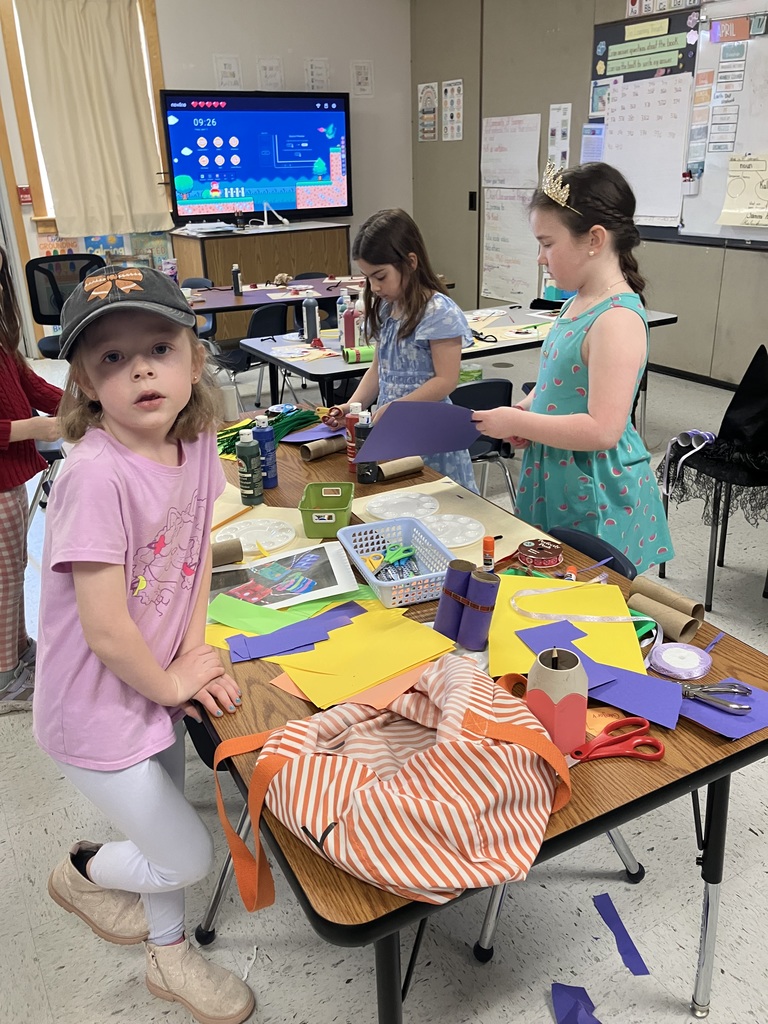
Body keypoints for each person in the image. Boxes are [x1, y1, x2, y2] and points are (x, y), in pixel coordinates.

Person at [32, 267, 255, 1024]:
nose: (141, 371)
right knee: (183, 853)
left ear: (195, 358)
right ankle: (84, 872)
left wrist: (191, 658)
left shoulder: (195, 441)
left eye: (159, 348)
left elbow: (193, 560)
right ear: (86, 384)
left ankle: (169, 955)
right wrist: (169, 685)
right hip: (95, 709)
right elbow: (103, 629)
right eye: (112, 358)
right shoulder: (94, 476)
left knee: (160, 825)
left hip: (151, 683)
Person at [471, 162, 673, 574]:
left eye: (547, 244)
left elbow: (603, 430)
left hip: (593, 486)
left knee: (589, 585)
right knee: (549, 578)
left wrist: (519, 422)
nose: (540, 258)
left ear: (594, 239)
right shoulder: (577, 301)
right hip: (559, 473)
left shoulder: (616, 320)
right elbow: (556, 381)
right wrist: (526, 408)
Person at [324, 208, 478, 491]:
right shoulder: (387, 309)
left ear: (410, 262)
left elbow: (446, 380)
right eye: (368, 278)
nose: (374, 287)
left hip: (430, 433)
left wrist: (398, 408)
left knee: (435, 501)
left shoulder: (439, 311)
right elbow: (378, 369)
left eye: (380, 276)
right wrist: (351, 407)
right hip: (394, 430)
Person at [0, 245, 62, 713]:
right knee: (3, 579)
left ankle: (18, 652)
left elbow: (31, 386)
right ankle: (5, 678)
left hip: (10, 482)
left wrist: (91, 401)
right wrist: (35, 428)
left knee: (13, 568)